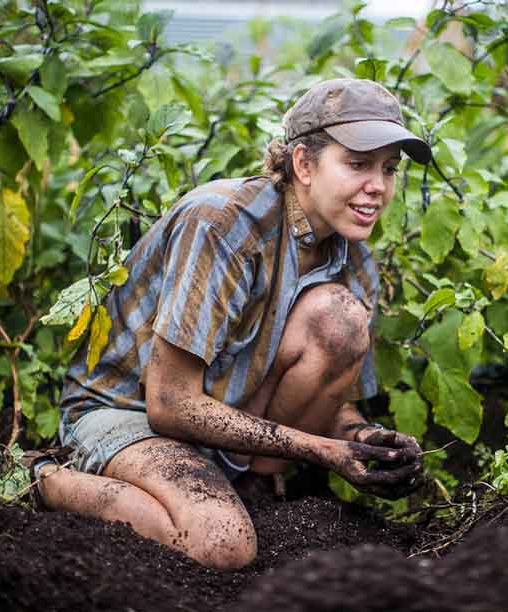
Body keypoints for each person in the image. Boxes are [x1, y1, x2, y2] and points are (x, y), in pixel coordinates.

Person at [27, 78, 432, 570]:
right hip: (125, 412)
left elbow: (332, 401)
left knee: (341, 320)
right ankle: (41, 475)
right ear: (303, 163)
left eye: (389, 169)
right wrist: (323, 451)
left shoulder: (352, 256)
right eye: (357, 164)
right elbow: (170, 404)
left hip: (223, 421)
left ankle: (255, 486)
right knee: (222, 542)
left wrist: (364, 439)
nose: (378, 186)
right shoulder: (222, 224)